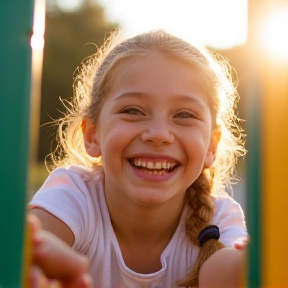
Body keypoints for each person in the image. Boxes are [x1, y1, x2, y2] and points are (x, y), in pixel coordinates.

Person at [29, 30, 248, 288]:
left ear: (212, 144)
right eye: (132, 110)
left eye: (184, 115)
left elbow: (227, 275)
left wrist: (247, 265)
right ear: (92, 135)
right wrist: (38, 256)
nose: (158, 135)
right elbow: (34, 245)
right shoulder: (76, 194)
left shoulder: (219, 218)